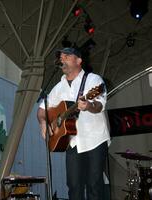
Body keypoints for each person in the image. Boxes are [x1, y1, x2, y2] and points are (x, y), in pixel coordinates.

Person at [37, 47, 110, 200]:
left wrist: (88, 105)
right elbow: (42, 110)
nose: (62, 59)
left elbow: (99, 105)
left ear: (79, 60)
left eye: (67, 56)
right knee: (74, 187)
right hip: (73, 142)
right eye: (61, 57)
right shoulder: (58, 87)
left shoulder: (94, 81)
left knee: (94, 185)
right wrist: (43, 123)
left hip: (94, 140)